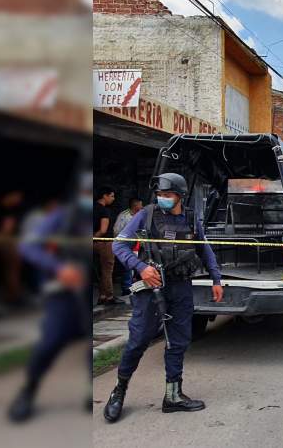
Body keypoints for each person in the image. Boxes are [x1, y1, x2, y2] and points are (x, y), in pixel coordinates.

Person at [104, 173, 223, 423]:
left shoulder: (191, 218)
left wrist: (216, 279)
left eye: (167, 195)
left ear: (180, 195)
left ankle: (173, 396)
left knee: (178, 341)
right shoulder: (145, 215)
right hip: (151, 288)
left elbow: (204, 248)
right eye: (159, 195)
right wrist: (141, 267)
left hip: (180, 288)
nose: (162, 199)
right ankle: (119, 390)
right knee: (138, 340)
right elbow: (119, 245)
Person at [8, 173, 93, 423]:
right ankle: (27, 391)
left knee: (91, 347)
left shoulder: (99, 218)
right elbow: (28, 246)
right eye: (86, 193)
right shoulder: (62, 217)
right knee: (50, 343)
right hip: (64, 293)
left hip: (89, 292)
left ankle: (91, 391)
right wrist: (58, 268)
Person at [113, 198, 143, 295]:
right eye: (140, 205)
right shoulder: (124, 216)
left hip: (138, 243)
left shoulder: (140, 215)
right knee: (128, 266)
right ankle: (127, 288)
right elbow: (116, 231)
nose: (142, 207)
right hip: (126, 244)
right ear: (135, 206)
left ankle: (135, 285)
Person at [93, 186, 118, 305]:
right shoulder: (104, 211)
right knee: (107, 270)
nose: (113, 198)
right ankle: (109, 296)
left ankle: (102, 295)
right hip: (104, 243)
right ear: (105, 196)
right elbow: (103, 230)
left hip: (94, 243)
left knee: (98, 270)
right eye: (112, 196)